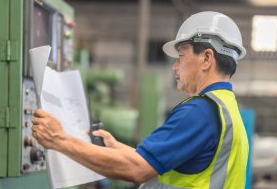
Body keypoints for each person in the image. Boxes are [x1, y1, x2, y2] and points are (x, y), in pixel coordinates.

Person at [32, 11, 249, 189]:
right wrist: (116, 147)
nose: (175, 66)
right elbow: (157, 163)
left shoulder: (199, 112)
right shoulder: (226, 109)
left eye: (180, 56)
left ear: (206, 58)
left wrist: (59, 140)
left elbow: (137, 169)